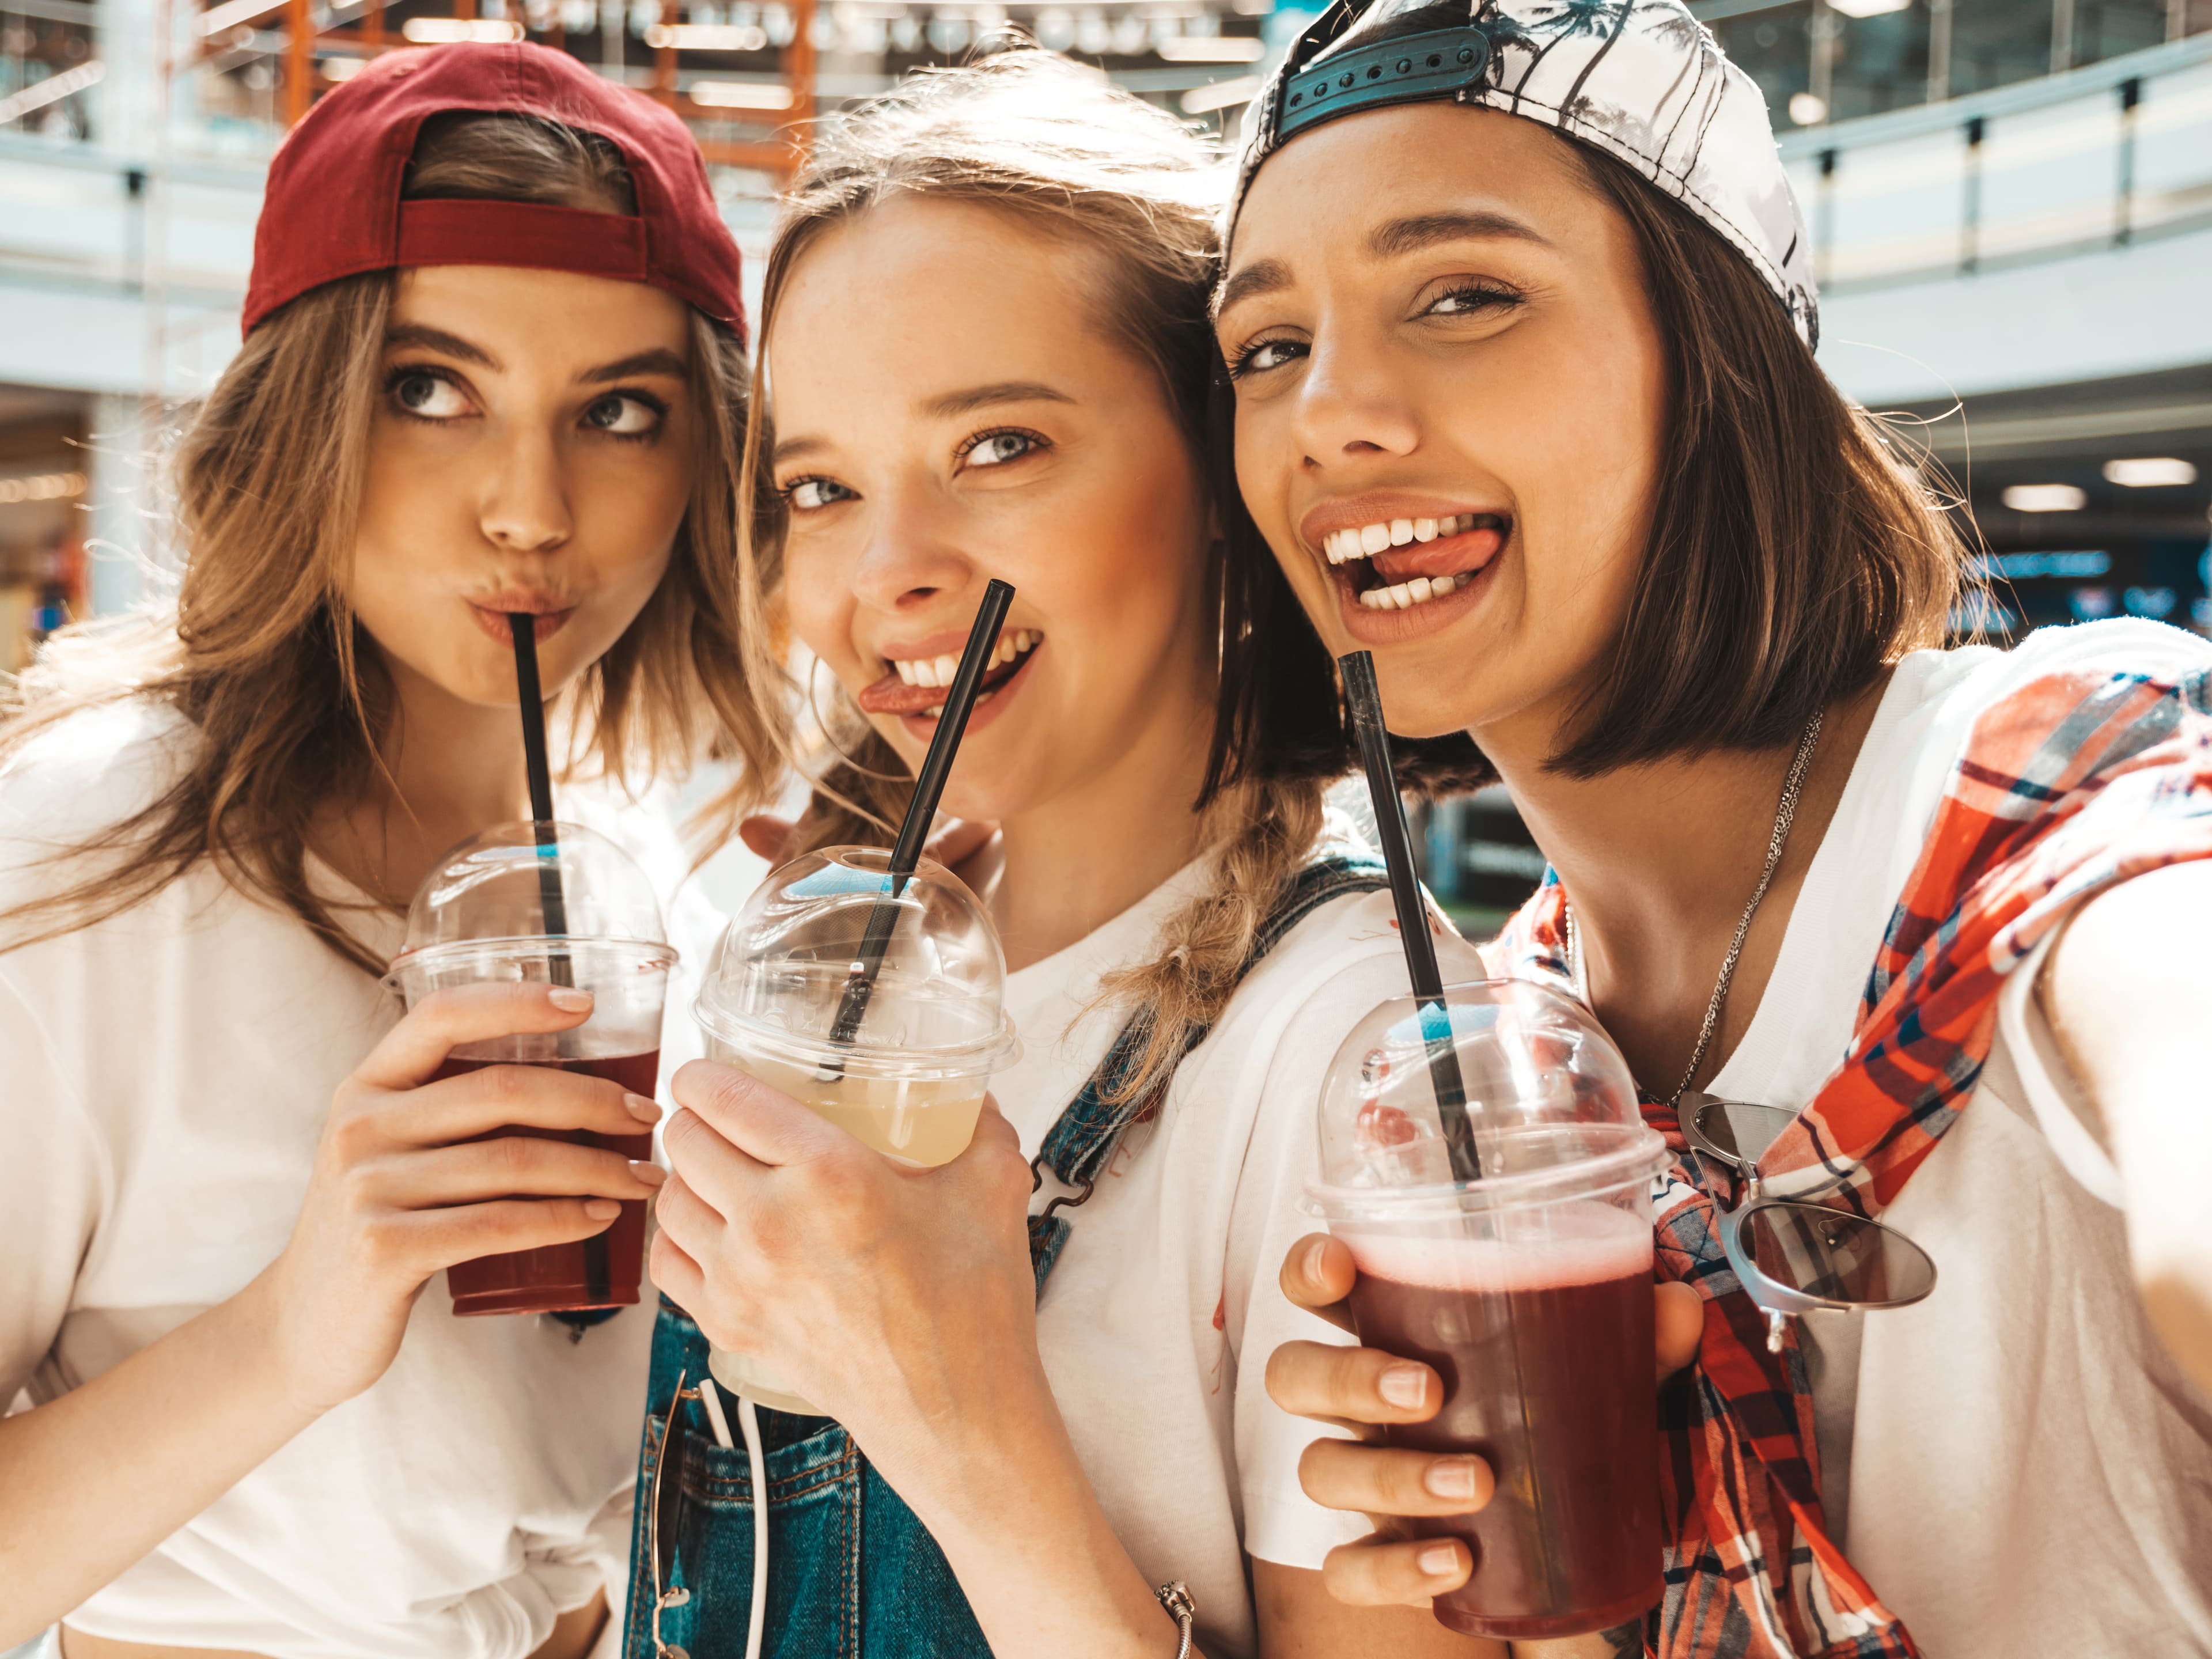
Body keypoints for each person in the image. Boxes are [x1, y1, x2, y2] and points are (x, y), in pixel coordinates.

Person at [1213, 2, 2212, 1656]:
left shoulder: (2044, 785)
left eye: (1465, 295)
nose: (1331, 414)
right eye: (1266, 348)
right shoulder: (1505, 1040)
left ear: (1718, 354)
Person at [621, 49, 1525, 1659]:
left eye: (998, 450)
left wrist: (961, 1423)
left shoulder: (1356, 1058)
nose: (887, 575)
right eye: (819, 487)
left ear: (1220, 474)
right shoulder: (847, 981)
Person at [0, 44, 777, 1659]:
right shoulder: (83, 869)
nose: (529, 509)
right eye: (429, 389)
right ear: (302, 417)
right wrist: (299, 1323)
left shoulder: (659, 884)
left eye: (620, 411)